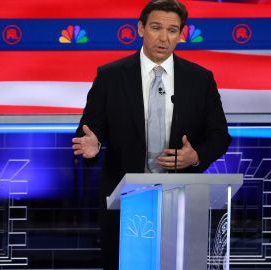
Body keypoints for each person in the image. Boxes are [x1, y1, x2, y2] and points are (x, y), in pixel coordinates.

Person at [72, 0, 231, 269]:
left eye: (172, 30)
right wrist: (93, 144)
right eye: (156, 27)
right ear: (140, 29)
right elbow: (89, 132)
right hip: (125, 202)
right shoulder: (111, 76)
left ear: (181, 34)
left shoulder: (200, 79)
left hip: (180, 198)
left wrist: (196, 156)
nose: (163, 37)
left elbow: (219, 136)